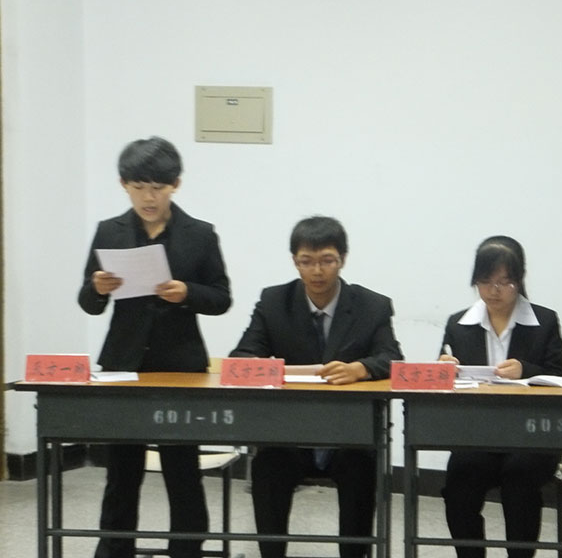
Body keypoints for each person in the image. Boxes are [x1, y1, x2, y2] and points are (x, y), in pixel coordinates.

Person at [78, 136, 232, 558]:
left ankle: (187, 550)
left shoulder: (200, 235)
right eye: (139, 187)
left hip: (180, 366)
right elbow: (89, 303)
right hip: (123, 365)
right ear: (123, 185)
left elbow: (222, 298)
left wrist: (187, 293)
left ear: (175, 185)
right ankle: (114, 550)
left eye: (158, 187)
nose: (149, 197)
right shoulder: (109, 231)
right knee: (121, 471)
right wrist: (97, 288)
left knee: (182, 470)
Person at [230, 215, 403, 558]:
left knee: (361, 467)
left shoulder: (372, 306)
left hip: (347, 436)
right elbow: (243, 357)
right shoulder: (274, 302)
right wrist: (269, 369)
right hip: (290, 435)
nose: (317, 271)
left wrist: (360, 369)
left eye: (327, 260)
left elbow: (393, 359)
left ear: (343, 259)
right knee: (267, 466)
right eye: (307, 262)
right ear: (295, 262)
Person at [438, 235, 562, 558]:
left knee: (520, 479)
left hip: (532, 436)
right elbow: (444, 385)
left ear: (519, 281)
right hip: (478, 435)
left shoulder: (544, 322)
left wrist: (526, 370)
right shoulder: (459, 325)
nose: (494, 291)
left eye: (504, 282)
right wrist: (443, 370)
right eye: (485, 282)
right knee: (460, 481)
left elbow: (560, 378)